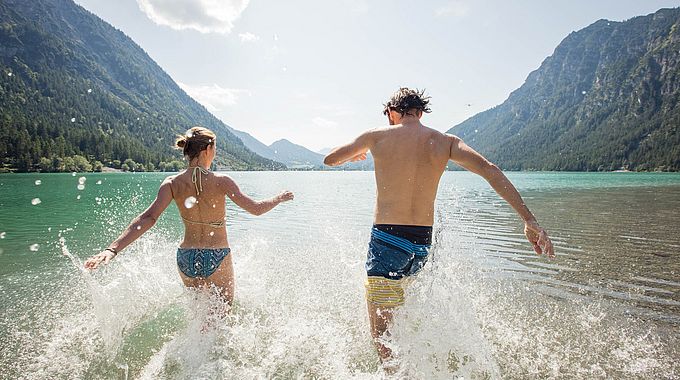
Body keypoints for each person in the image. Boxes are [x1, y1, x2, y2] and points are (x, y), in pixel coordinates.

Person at [324, 88, 554, 364]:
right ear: (420, 112)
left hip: (387, 241)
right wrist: (528, 219)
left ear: (392, 112)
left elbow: (330, 159)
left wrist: (353, 155)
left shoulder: (376, 136)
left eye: (387, 116)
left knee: (382, 335)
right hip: (421, 247)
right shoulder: (445, 142)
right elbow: (490, 170)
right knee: (397, 316)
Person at [84, 126, 294, 308]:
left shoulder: (172, 183)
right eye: (215, 149)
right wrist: (278, 198)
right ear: (208, 149)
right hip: (217, 255)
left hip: (186, 258)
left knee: (198, 315)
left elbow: (147, 218)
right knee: (221, 316)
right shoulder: (222, 181)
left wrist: (112, 249)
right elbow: (255, 209)